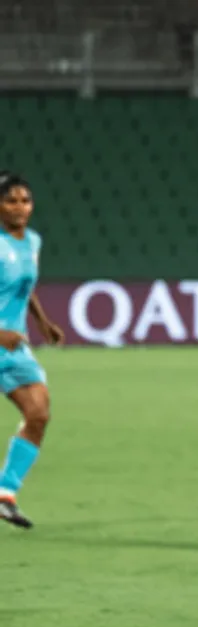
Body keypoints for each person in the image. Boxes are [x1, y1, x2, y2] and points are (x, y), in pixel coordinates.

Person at [0, 173, 65, 529]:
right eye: (11, 200)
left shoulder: (32, 242)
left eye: (25, 200)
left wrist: (42, 321)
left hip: (13, 348)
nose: (20, 207)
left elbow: (25, 287)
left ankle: (5, 494)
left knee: (39, 413)